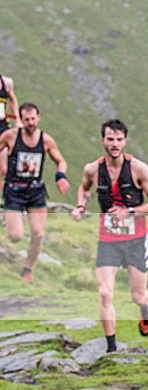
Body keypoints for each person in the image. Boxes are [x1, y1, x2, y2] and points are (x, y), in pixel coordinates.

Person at [71, 119, 148, 353]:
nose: (114, 144)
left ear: (125, 141)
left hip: (135, 240)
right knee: (104, 292)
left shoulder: (138, 169)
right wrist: (81, 206)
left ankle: (145, 309)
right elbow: (84, 188)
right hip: (108, 240)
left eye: (119, 139)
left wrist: (129, 211)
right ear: (102, 141)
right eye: (110, 139)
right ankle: (111, 349)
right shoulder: (93, 169)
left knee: (138, 296)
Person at [0, 102, 70, 282]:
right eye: (26, 120)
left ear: (39, 117)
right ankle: (10, 222)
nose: (30, 123)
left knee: (38, 234)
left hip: (35, 191)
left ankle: (27, 270)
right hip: (14, 191)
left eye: (33, 119)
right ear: (21, 120)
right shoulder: (10, 136)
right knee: (15, 237)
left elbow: (60, 160)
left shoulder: (46, 140)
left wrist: (60, 176)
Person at [0, 73, 20, 176]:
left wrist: (17, 119)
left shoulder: (6, 82)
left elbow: (12, 99)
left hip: (2, 127)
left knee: (4, 168)